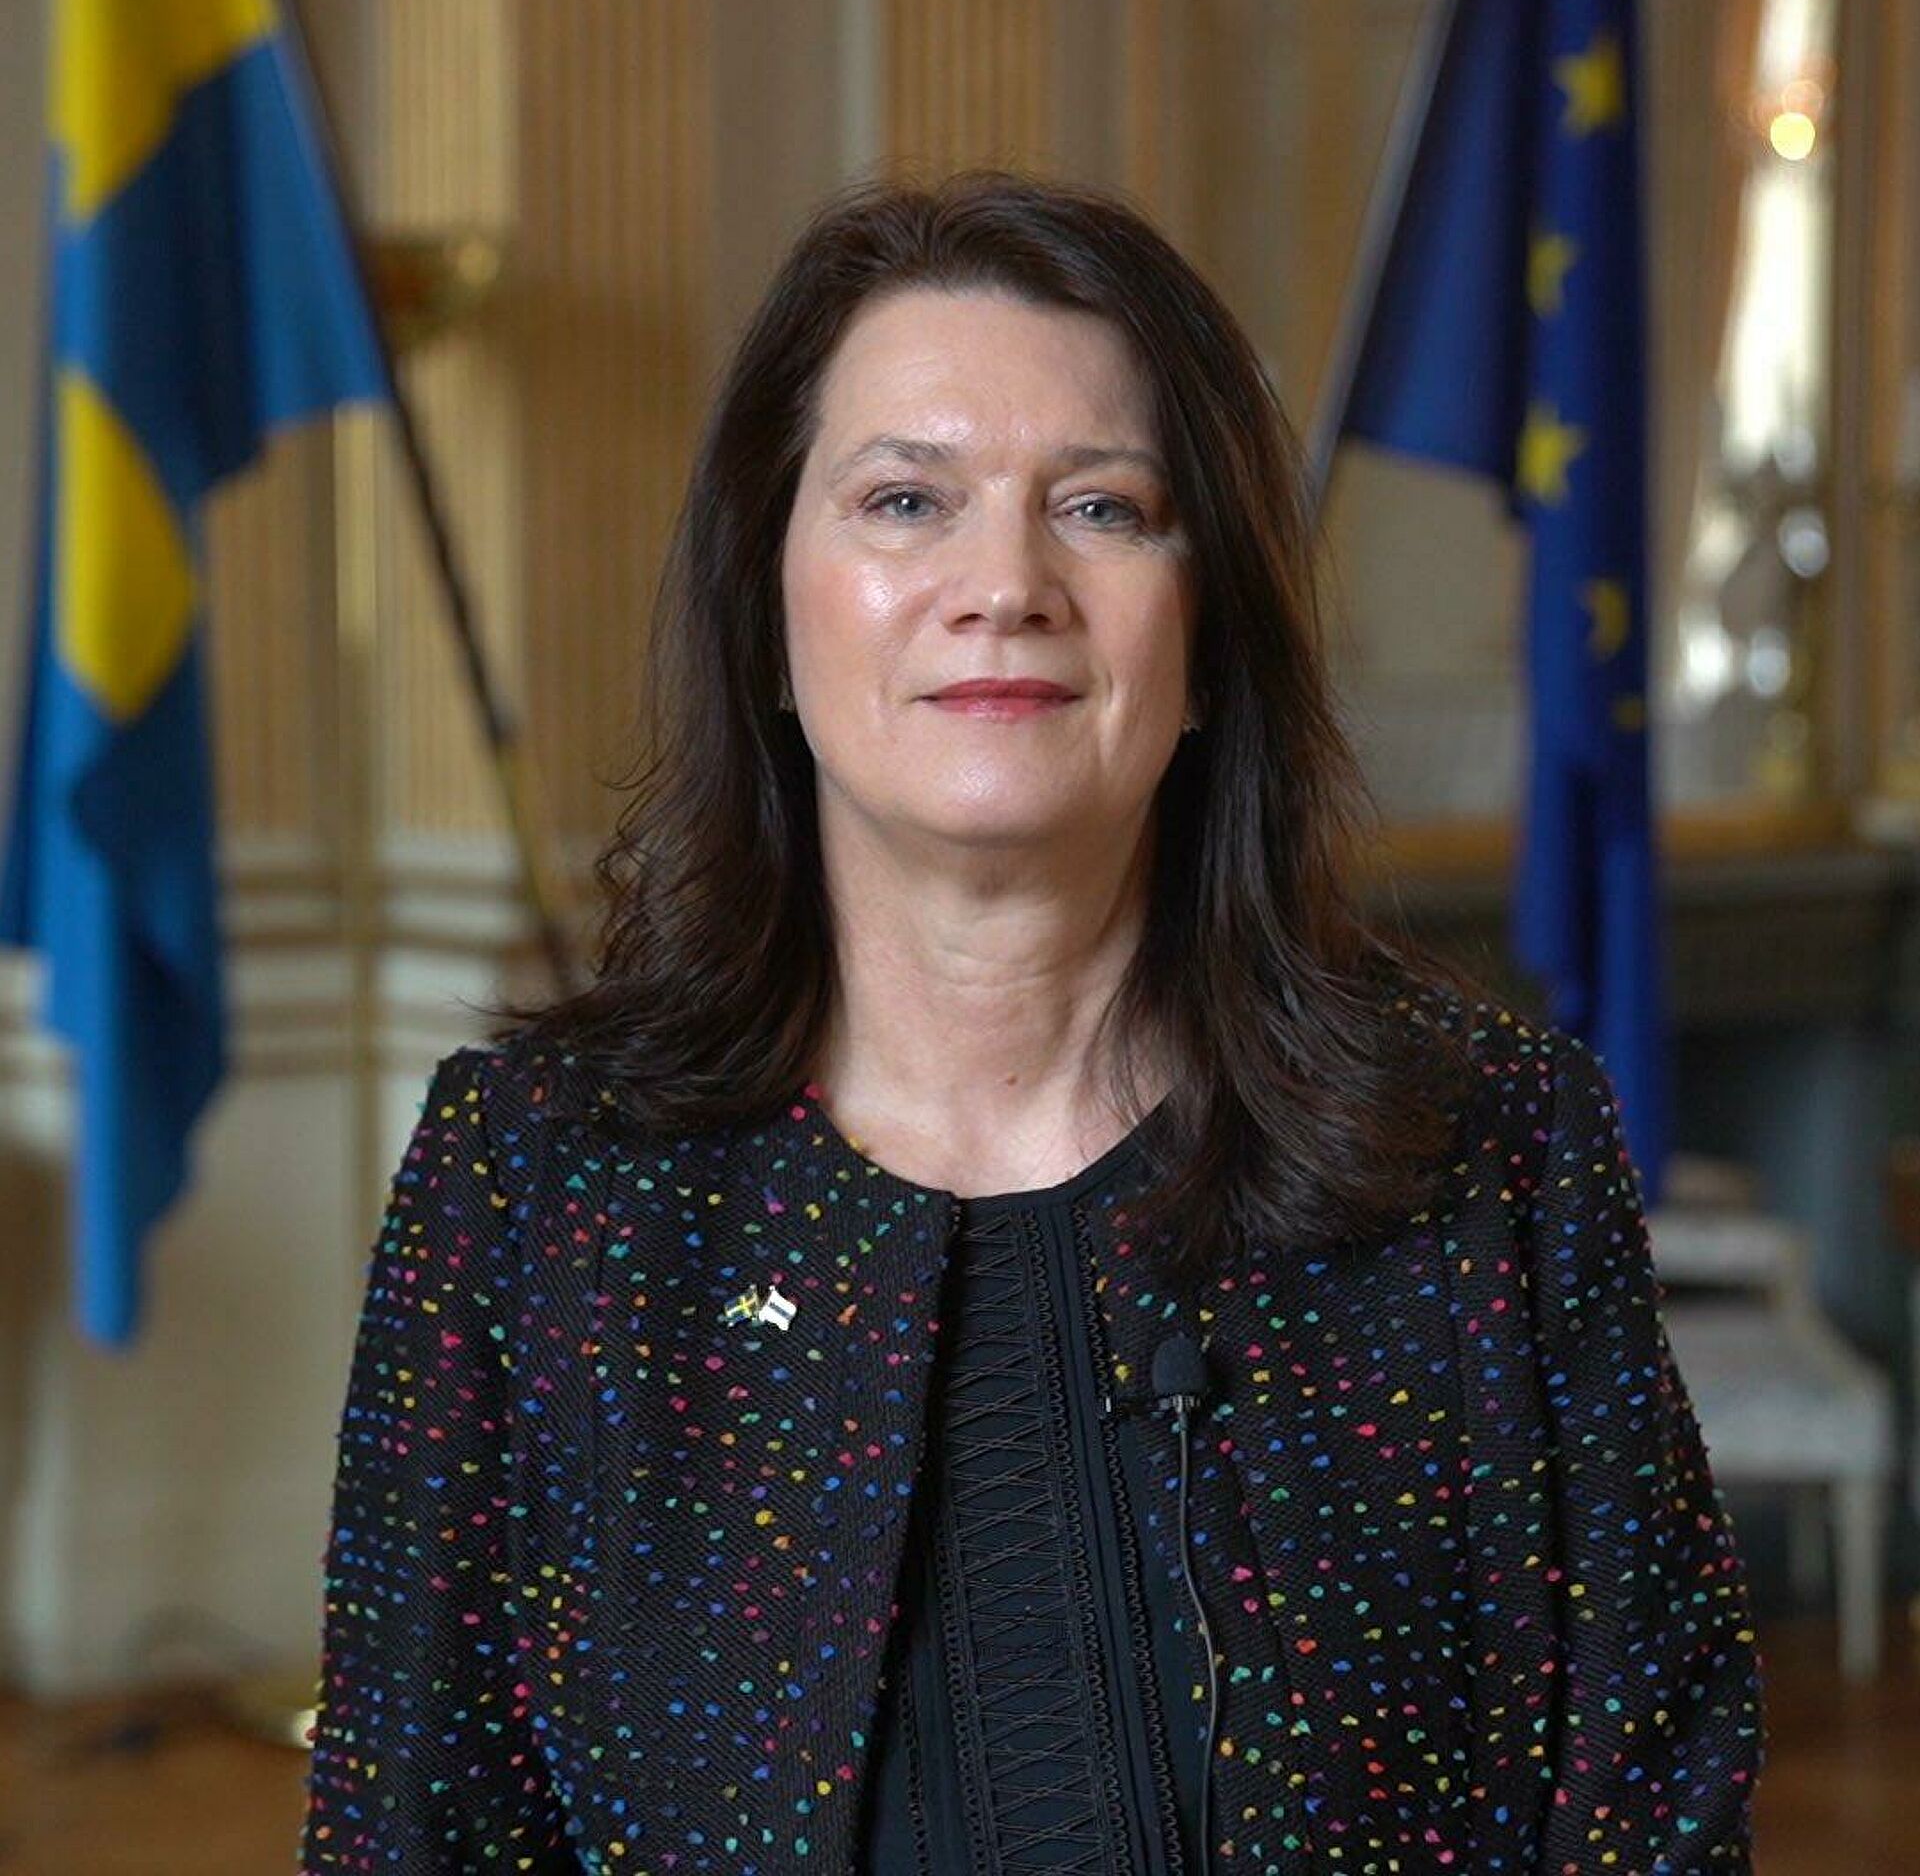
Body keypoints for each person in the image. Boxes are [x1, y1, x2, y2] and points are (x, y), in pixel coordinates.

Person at [299, 169, 1765, 1875]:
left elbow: (1656, 1819)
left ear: (1207, 636)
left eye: (1102, 507)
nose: (1003, 583)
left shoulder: (1488, 1154)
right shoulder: (535, 1187)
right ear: (767, 611)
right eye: (905, 501)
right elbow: (409, 1832)